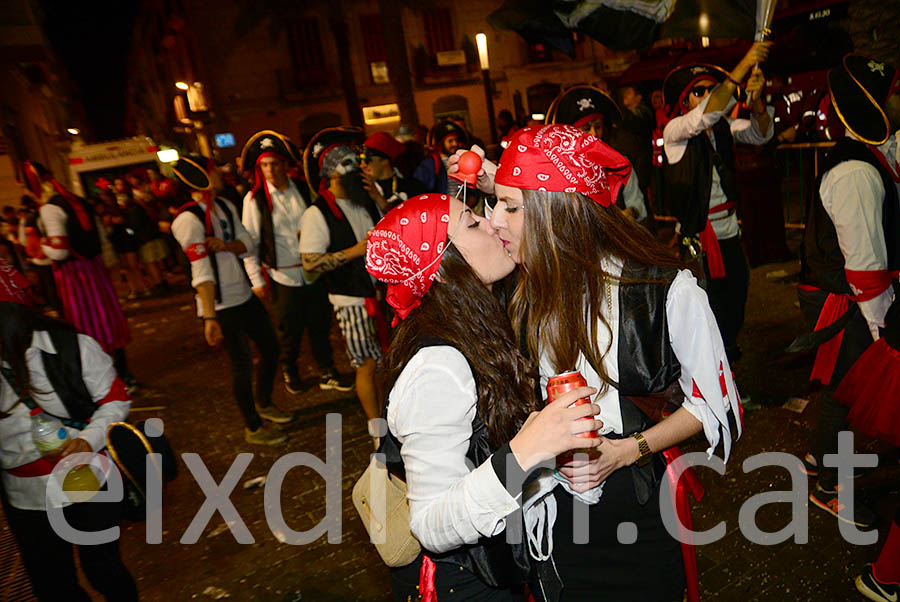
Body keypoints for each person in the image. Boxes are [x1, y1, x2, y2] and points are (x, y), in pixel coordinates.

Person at [456, 123, 744, 601]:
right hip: (550, 512)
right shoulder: (522, 287)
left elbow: (710, 405)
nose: (494, 222)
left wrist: (626, 451)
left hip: (633, 502)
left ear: (559, 212)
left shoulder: (663, 291)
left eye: (510, 206)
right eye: (493, 205)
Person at [366, 193, 603, 601]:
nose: (492, 224)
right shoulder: (438, 364)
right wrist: (526, 452)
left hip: (490, 571)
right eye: (473, 224)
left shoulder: (471, 323)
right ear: (439, 269)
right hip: (464, 584)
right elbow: (430, 522)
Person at [797, 54, 900, 530]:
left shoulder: (874, 153)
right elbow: (865, 267)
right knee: (846, 389)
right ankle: (827, 488)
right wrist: (884, 332)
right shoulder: (856, 172)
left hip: (849, 286)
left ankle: (822, 463)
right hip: (847, 294)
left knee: (842, 389)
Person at [0, 257, 138, 601]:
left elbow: (115, 400)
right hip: (25, 495)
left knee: (104, 569)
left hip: (86, 478)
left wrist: (88, 440)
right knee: (53, 586)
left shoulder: (69, 346)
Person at [662, 42, 774, 362]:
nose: (708, 95)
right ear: (685, 101)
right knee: (704, 311)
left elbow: (760, 134)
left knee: (735, 299)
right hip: (700, 236)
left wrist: (760, 105)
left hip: (728, 231)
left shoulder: (722, 127)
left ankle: (729, 365)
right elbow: (705, 115)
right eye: (700, 91)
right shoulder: (676, 131)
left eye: (711, 89)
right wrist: (744, 64)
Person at [170, 155, 290, 444]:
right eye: (214, 170)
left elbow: (247, 242)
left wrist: (226, 246)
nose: (222, 173)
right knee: (242, 364)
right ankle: (253, 426)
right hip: (221, 305)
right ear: (201, 176)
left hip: (243, 295)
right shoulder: (187, 219)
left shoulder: (223, 205)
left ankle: (263, 402)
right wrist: (210, 317)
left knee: (271, 348)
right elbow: (200, 272)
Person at [240, 130, 350, 394]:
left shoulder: (302, 190)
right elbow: (251, 243)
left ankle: (327, 370)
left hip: (313, 272)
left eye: (274, 163)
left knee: (320, 323)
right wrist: (256, 280)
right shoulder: (254, 200)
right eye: (264, 165)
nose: (270, 170)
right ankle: (290, 370)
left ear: (284, 165)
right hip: (283, 277)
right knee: (289, 329)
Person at [300, 127, 387, 434]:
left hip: (380, 294)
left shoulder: (364, 199)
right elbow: (309, 262)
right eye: (347, 163)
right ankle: (376, 429)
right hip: (351, 299)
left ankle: (388, 418)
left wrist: (379, 198)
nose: (357, 168)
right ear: (330, 172)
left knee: (384, 362)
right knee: (366, 364)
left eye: (356, 161)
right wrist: (354, 251)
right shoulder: (317, 213)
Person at [21, 162, 134, 388]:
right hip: (94, 268)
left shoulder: (50, 209)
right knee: (106, 319)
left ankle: (107, 380)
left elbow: (60, 249)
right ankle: (123, 372)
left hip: (75, 275)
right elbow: (100, 239)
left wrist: (41, 248)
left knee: (86, 325)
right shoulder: (78, 201)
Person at [546, 85, 650, 223]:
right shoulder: (560, 172)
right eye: (586, 128)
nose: (594, 134)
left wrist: (627, 215)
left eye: (598, 127)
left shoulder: (619, 164)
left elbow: (638, 206)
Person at [360, 131, 426, 212]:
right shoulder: (363, 190)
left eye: (367, 160)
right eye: (360, 160)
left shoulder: (413, 187)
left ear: (384, 161)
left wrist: (379, 199)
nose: (362, 165)